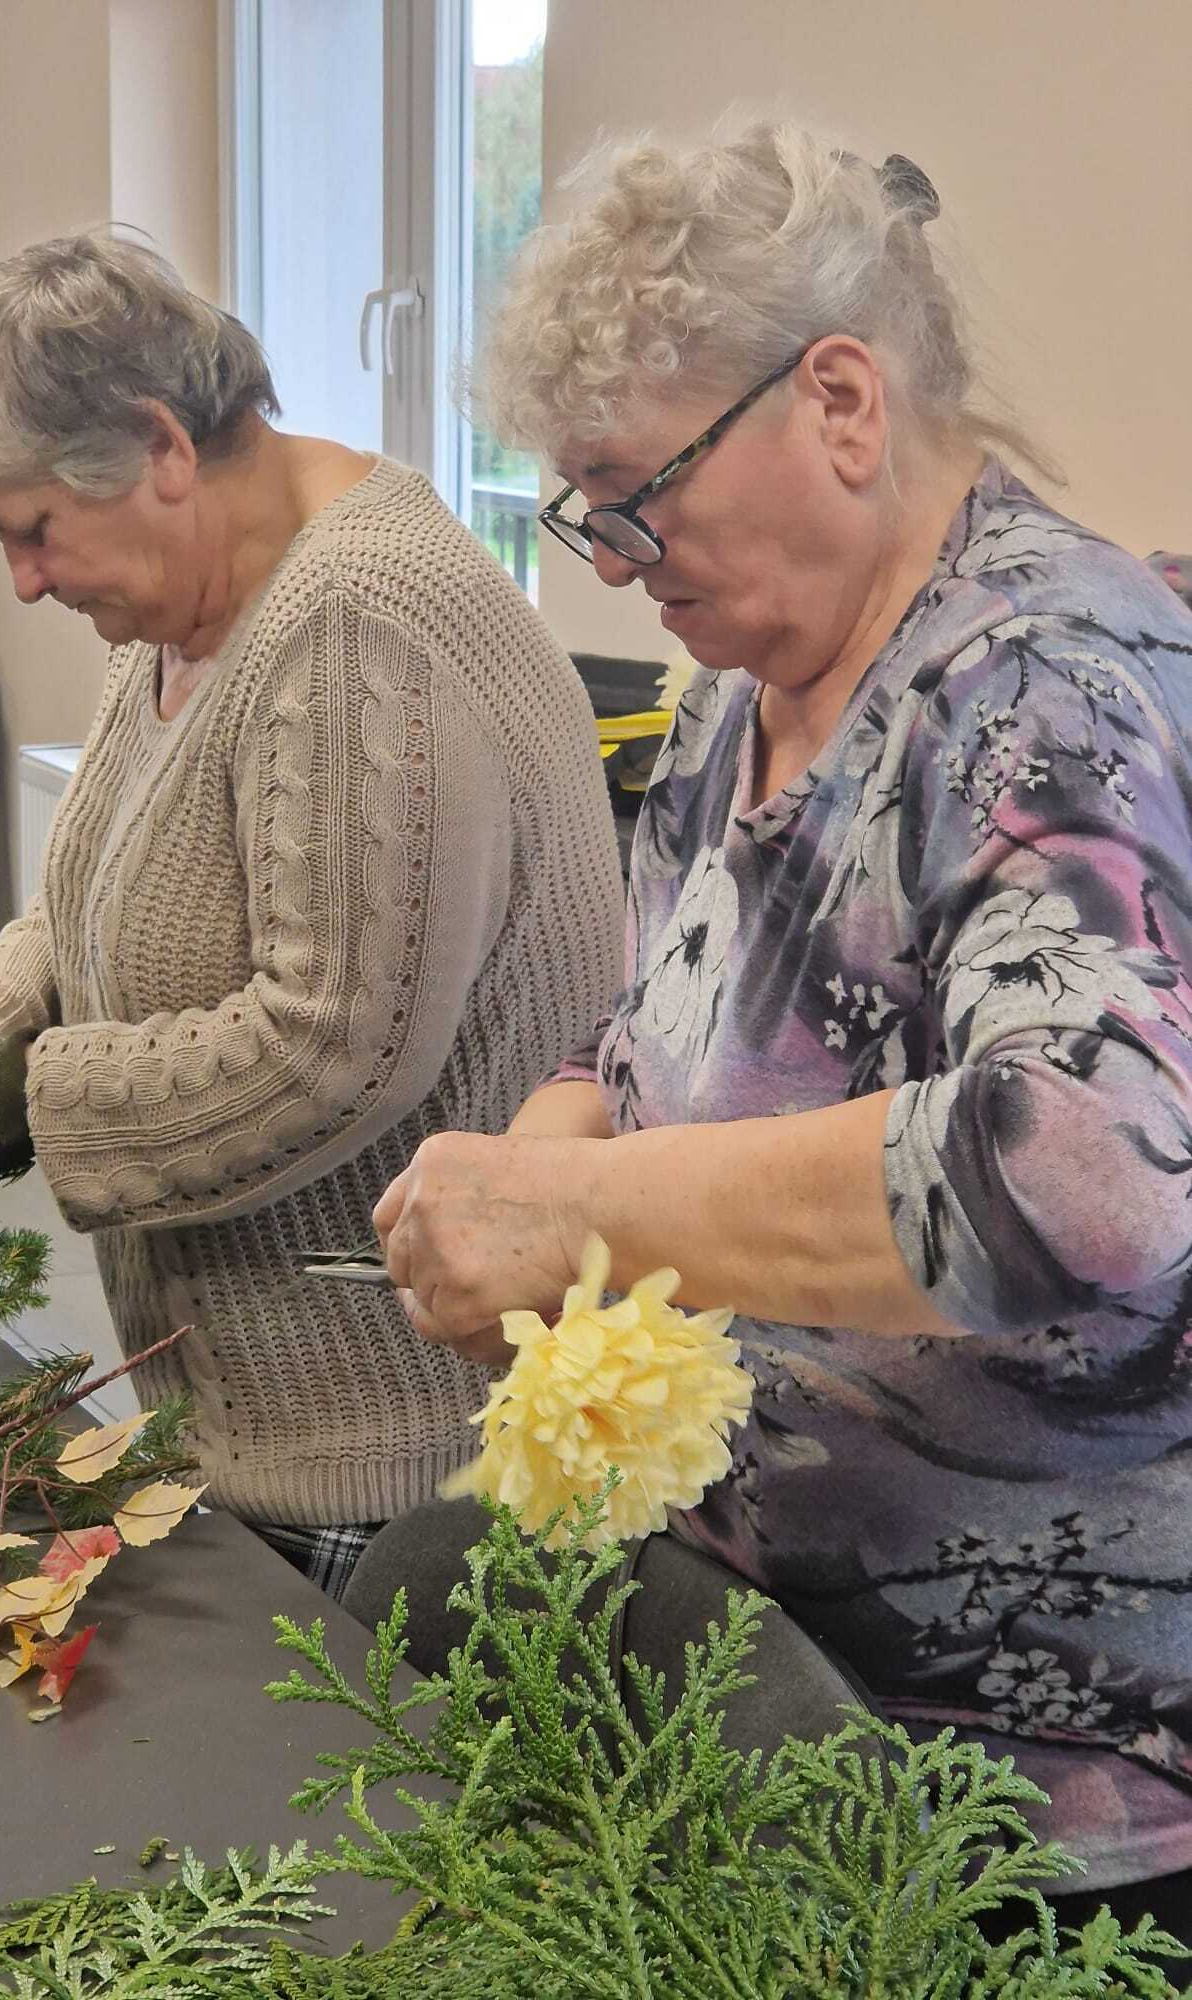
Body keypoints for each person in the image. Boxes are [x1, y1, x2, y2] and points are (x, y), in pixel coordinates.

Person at [362, 124, 1192, 1937]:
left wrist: (588, 1221)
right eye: (581, 508)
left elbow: (1091, 1177)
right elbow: (645, 1035)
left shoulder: (1041, 686)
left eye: (632, 494)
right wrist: (545, 1146)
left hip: (1018, 1798)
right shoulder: (746, 693)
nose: (611, 559)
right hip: (759, 1672)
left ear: (838, 400)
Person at [0, 233, 624, 1601]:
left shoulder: (362, 625)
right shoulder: (200, 607)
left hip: (396, 1467)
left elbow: (330, 1049)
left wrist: (22, 1100)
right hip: (235, 1430)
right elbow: (98, 894)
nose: (23, 584)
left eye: (34, 530)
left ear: (160, 445)